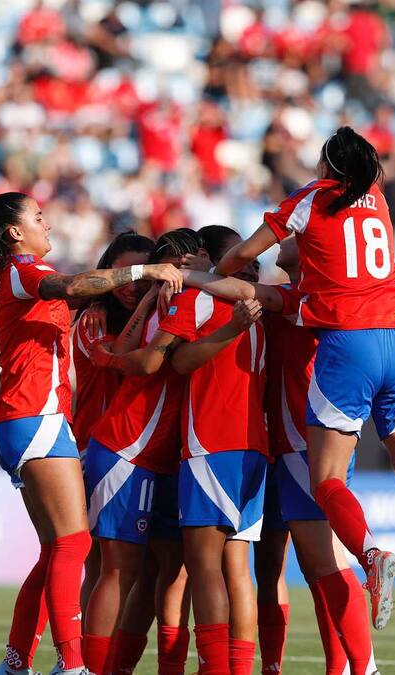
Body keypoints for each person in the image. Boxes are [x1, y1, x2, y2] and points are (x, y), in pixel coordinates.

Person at [215, 127, 395, 631]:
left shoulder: (310, 199)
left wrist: (221, 268)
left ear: (324, 165)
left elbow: (239, 258)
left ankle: (371, 555)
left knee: (328, 479)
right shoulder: (376, 197)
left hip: (349, 338)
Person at [0, 191, 181, 675]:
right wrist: (145, 272)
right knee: (73, 545)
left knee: (54, 550)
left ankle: (16, 662)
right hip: (36, 416)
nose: (48, 226)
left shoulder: (12, 275)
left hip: (24, 418)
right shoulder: (20, 270)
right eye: (38, 219)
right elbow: (74, 285)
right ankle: (72, 664)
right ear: (15, 232)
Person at [181, 237, 378, 674]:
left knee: (317, 565)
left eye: (297, 236)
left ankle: (349, 667)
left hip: (304, 444)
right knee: (271, 565)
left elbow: (248, 293)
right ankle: (272, 665)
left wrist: (204, 272)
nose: (284, 240)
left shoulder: (311, 297)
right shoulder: (280, 298)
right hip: (270, 446)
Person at [79, 229, 207, 675]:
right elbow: (142, 359)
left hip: (162, 456)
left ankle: (115, 667)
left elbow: (127, 353)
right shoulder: (160, 306)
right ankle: (87, 668)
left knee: (164, 573)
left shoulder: (177, 302)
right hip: (125, 448)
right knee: (117, 570)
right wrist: (152, 299)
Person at [159, 225, 266, 675]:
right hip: (254, 447)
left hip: (211, 442)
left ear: (203, 256)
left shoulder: (202, 300)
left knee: (203, 569)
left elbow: (178, 361)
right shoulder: (263, 309)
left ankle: (214, 669)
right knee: (238, 569)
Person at [71, 233, 158, 612]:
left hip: (142, 449)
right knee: (103, 567)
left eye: (142, 277)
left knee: (140, 571)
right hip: (99, 449)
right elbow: (117, 357)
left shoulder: (154, 319)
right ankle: (80, 663)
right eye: (124, 274)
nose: (133, 286)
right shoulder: (94, 318)